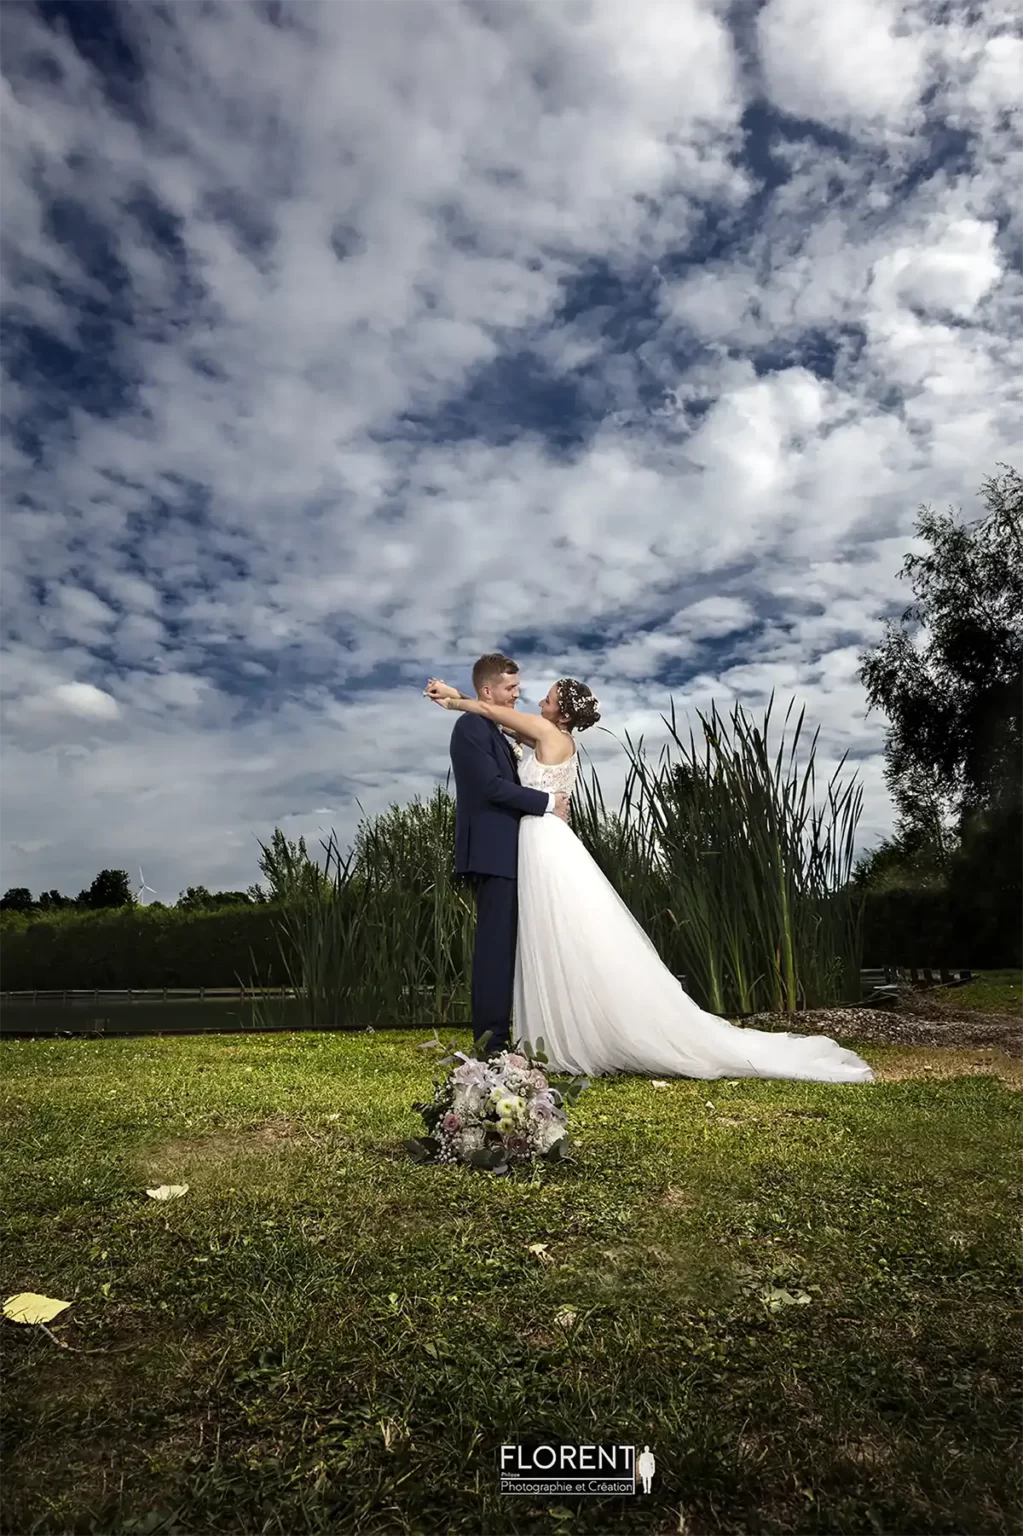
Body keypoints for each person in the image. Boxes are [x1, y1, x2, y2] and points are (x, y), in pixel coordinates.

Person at [425, 657, 874, 1084]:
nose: (532, 700)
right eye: (522, 691)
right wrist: (462, 701)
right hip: (537, 843)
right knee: (554, 935)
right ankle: (537, 1032)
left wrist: (451, 696)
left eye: (543, 697)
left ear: (559, 712)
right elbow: (491, 719)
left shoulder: (544, 731)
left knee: (557, 933)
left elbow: (488, 709)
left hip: (542, 845)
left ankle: (540, 1034)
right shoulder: (546, 733)